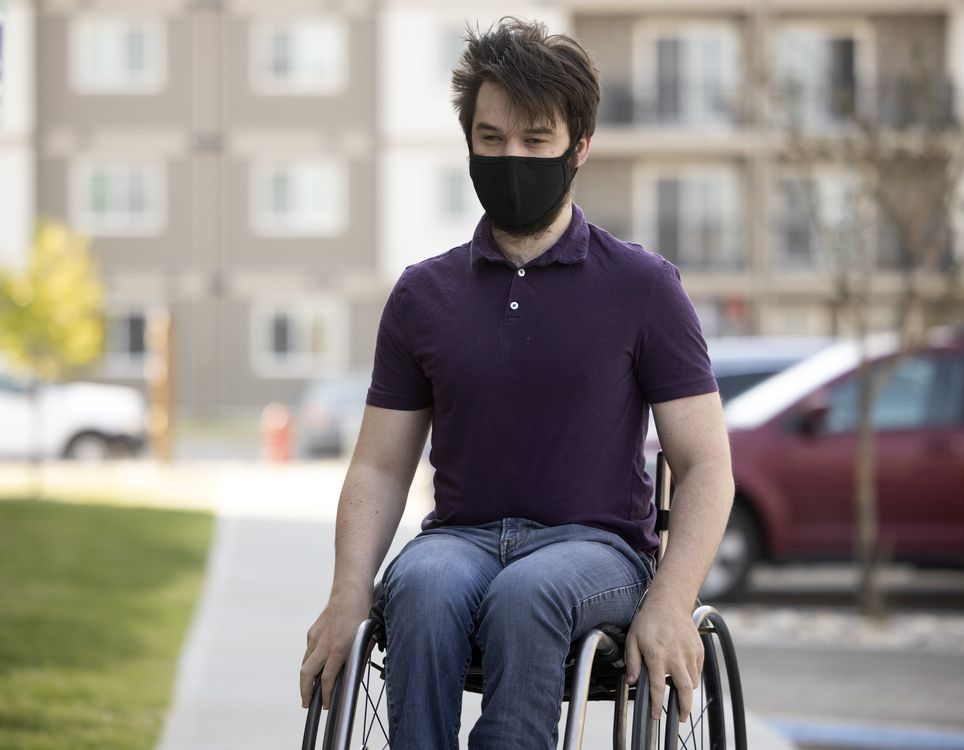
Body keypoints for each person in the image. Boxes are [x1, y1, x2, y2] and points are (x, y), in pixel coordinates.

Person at [299, 17, 734, 750]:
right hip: (459, 542)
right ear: (469, 143)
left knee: (526, 594)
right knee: (421, 586)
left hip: (598, 550)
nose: (511, 158)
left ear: (579, 147)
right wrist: (346, 595)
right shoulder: (423, 296)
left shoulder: (644, 288)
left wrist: (672, 598)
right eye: (492, 138)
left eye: (536, 141)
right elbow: (379, 466)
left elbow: (705, 464)